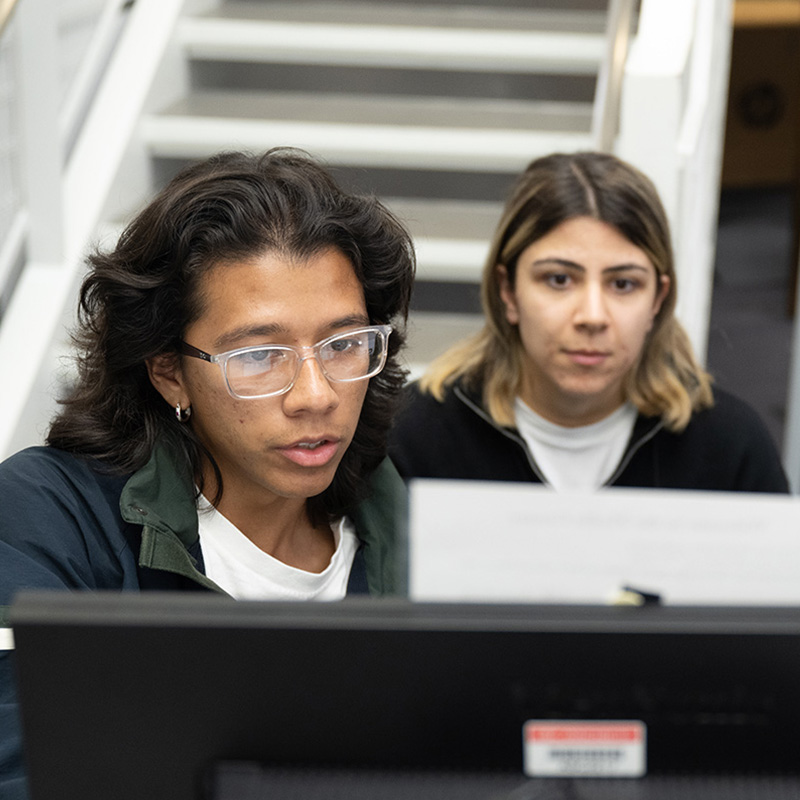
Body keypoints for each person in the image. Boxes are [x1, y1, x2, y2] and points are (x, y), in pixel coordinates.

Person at [0, 148, 415, 797]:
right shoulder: (51, 517)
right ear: (169, 372)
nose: (315, 395)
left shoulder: (416, 530)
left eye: (342, 344)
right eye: (259, 355)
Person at [389, 151, 788, 493]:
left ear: (657, 300)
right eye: (559, 280)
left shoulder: (731, 447)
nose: (593, 317)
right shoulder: (414, 437)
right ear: (508, 291)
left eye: (623, 283)